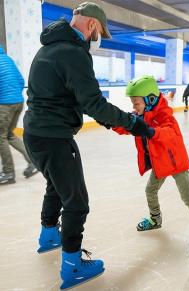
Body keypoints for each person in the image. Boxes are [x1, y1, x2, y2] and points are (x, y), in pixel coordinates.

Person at [23, 2, 148, 289]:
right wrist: (133, 123)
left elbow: (74, 98)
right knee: (77, 202)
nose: (98, 38)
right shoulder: (73, 53)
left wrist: (108, 121)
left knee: (56, 186)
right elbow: (94, 103)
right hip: (55, 138)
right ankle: (72, 267)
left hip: (35, 135)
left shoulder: (49, 47)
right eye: (100, 32)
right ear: (92, 25)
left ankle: (48, 235)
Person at [112, 76, 189, 255]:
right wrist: (110, 123)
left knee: (187, 196)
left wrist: (150, 131)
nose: (134, 107)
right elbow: (129, 127)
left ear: (150, 100)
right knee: (150, 190)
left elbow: (169, 132)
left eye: (136, 103)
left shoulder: (164, 115)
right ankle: (155, 219)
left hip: (176, 163)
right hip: (161, 163)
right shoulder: (142, 115)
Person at [0, 45, 38, 185]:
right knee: (9, 135)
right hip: (18, 102)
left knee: (0, 137)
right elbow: (21, 81)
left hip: (5, 104)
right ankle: (33, 163)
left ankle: (8, 173)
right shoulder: (7, 59)